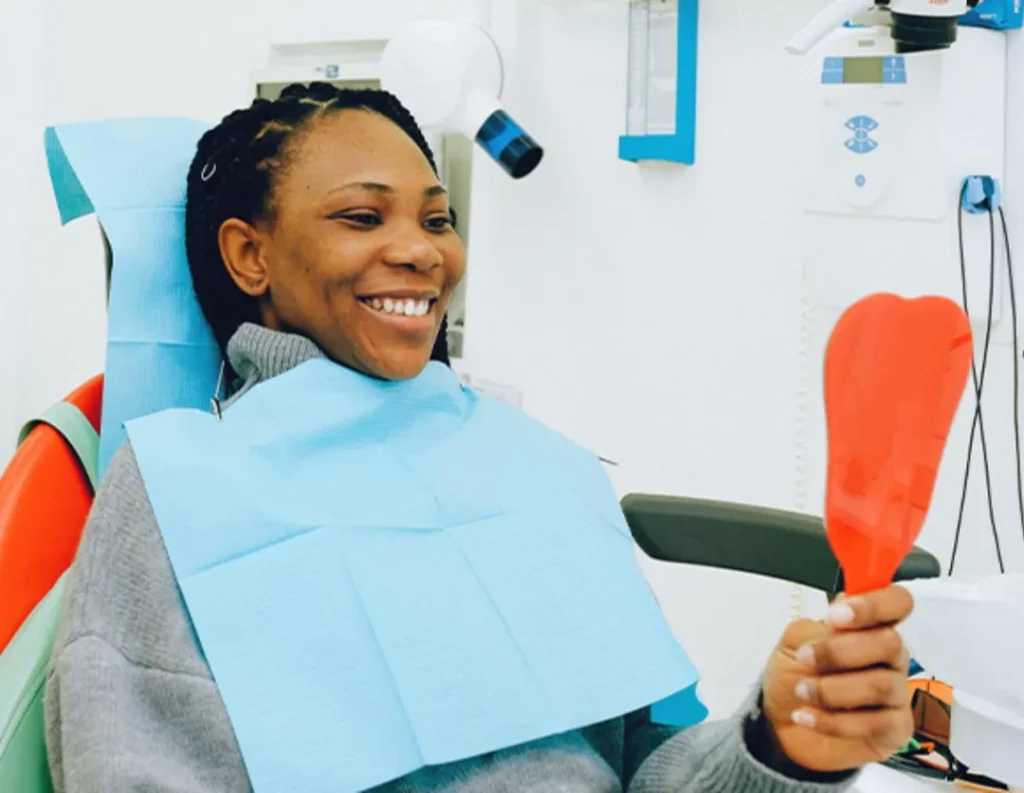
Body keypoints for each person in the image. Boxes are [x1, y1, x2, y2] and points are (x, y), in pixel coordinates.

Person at [44, 82, 915, 793]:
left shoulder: (537, 468)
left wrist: (780, 742)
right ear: (249, 256)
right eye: (361, 217)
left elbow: (657, 768)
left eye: (436, 219)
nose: (421, 251)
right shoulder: (178, 485)